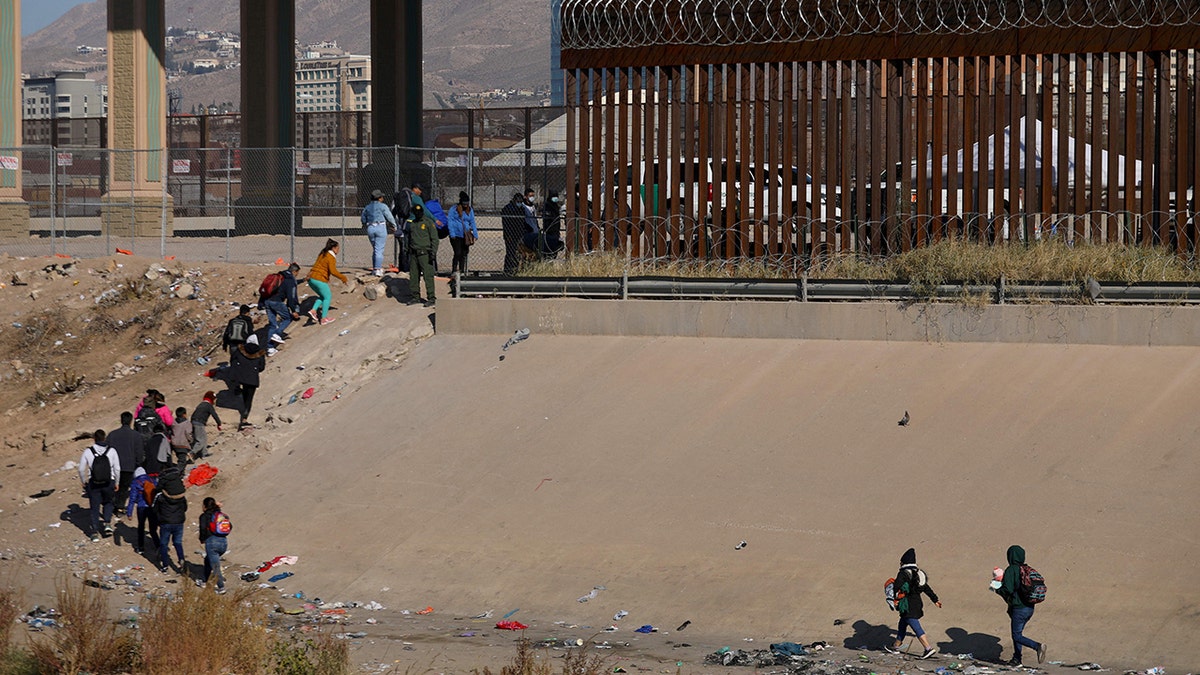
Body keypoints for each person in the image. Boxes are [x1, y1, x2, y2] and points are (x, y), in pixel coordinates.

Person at [883, 548, 941, 659]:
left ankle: (928, 648)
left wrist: (893, 598)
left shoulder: (903, 573)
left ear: (903, 562)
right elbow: (926, 588)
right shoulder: (919, 574)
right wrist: (935, 600)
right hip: (917, 603)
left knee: (915, 626)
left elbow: (896, 586)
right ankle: (896, 646)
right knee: (902, 624)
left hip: (907, 604)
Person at [994, 545, 1046, 666]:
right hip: (1030, 608)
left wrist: (996, 588)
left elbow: (1007, 589)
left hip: (1019, 608)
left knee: (1016, 635)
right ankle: (1017, 659)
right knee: (1018, 634)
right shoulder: (1027, 569)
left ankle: (1037, 646)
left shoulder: (1012, 569)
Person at [78, 430, 120, 543]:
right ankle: (107, 523)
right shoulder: (112, 451)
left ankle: (95, 532)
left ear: (94, 439)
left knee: (94, 506)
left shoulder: (88, 451)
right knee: (108, 502)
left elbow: (81, 469)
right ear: (104, 438)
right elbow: (117, 469)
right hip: (109, 482)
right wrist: (117, 482)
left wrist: (83, 481)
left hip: (94, 483)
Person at [106, 411, 144, 516]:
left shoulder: (112, 434)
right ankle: (119, 508)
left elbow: (106, 450)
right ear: (131, 421)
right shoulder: (136, 435)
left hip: (113, 466)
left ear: (121, 420)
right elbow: (139, 452)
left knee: (114, 486)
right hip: (129, 466)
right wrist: (138, 463)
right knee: (123, 488)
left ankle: (112, 504)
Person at [229, 333, 267, 430]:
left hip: (241, 376)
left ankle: (238, 392)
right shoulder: (260, 353)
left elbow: (233, 360)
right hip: (252, 378)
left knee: (244, 393)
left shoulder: (240, 350)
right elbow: (261, 367)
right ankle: (244, 419)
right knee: (249, 399)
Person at [307, 238, 347, 326]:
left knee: (322, 296)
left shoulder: (323, 253)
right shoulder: (331, 257)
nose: (338, 250)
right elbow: (333, 271)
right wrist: (343, 277)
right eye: (337, 248)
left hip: (311, 279)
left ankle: (313, 310)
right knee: (327, 297)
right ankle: (324, 318)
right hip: (319, 279)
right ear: (333, 248)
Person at [264, 262, 302, 353]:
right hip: (277, 302)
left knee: (273, 324)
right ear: (294, 271)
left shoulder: (280, 275)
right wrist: (294, 310)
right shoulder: (290, 280)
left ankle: (270, 348)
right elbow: (291, 296)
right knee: (288, 318)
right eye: (297, 273)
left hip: (267, 301)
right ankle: (276, 334)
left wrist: (303, 280)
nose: (297, 275)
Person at [153, 477, 187, 574]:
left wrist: (159, 518)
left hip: (165, 523)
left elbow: (154, 509)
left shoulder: (160, 497)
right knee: (177, 543)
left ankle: (165, 566)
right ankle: (181, 560)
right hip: (179, 522)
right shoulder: (181, 497)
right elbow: (185, 508)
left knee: (164, 544)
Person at [406, 203, 439, 307]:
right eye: (416, 213)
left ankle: (431, 297)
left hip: (425, 254)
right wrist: (406, 250)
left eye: (419, 213)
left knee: (428, 276)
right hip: (414, 254)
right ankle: (415, 296)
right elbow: (409, 238)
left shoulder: (428, 223)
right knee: (414, 276)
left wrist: (433, 252)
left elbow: (435, 239)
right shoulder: (412, 224)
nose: (418, 214)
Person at [362, 188, 398, 276]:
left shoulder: (367, 207)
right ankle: (378, 269)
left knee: (375, 249)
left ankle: (375, 268)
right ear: (379, 198)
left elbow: (363, 218)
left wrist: (364, 224)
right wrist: (394, 225)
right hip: (380, 227)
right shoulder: (383, 206)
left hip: (370, 227)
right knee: (379, 249)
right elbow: (389, 216)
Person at [125, 467, 159, 555]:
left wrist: (129, 513)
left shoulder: (135, 482)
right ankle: (158, 546)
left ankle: (141, 548)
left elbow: (132, 499)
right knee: (153, 529)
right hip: (152, 506)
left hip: (141, 507)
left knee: (141, 527)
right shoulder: (152, 480)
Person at [198, 497, 229, 594]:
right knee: (208, 560)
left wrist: (202, 539)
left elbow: (203, 529)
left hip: (212, 543)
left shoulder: (204, 516)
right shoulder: (220, 514)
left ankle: (221, 588)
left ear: (205, 506)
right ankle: (205, 581)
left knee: (215, 566)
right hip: (224, 542)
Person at [447, 191, 478, 275]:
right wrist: (452, 233)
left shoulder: (469, 210)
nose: (465, 205)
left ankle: (461, 270)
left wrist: (475, 233)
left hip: (465, 235)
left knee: (464, 253)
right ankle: (454, 270)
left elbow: (472, 222)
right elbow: (450, 221)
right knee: (458, 252)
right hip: (456, 235)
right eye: (464, 203)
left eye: (466, 203)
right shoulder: (454, 209)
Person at [190, 391, 223, 460]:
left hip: (194, 422)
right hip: (199, 423)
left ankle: (204, 453)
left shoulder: (201, 404)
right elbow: (214, 415)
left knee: (204, 438)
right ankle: (192, 453)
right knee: (200, 440)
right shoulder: (208, 405)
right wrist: (219, 424)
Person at [501, 192, 527, 275]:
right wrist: (507, 235)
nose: (520, 203)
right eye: (518, 201)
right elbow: (506, 224)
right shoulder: (508, 209)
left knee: (518, 253)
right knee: (510, 252)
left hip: (519, 234)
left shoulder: (521, 209)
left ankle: (515, 269)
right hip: (510, 234)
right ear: (514, 200)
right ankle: (508, 270)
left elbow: (523, 221)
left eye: (521, 201)